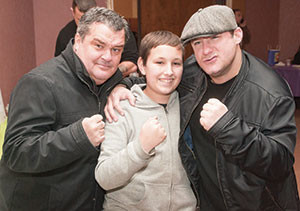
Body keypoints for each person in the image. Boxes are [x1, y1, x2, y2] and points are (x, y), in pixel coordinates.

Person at [104, 5, 300, 211]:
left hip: (257, 205)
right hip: (206, 202)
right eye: (197, 42)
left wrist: (229, 128)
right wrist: (122, 85)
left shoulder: (271, 92)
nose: (206, 50)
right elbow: (158, 76)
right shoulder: (192, 70)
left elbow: (281, 164)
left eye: (214, 38)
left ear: (237, 35)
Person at [0, 7, 129, 211]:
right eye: (99, 45)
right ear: (78, 40)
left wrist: (123, 86)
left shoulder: (109, 80)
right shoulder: (39, 83)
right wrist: (79, 136)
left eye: (116, 49)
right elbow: (17, 152)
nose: (108, 57)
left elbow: (142, 79)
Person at [95, 31, 197, 210]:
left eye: (176, 63)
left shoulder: (188, 107)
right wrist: (140, 148)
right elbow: (104, 178)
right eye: (159, 62)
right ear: (142, 65)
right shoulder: (122, 108)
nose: (168, 72)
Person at [55, 0, 139, 77]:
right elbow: (60, 67)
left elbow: (132, 63)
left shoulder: (119, 30)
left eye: (115, 49)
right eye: (80, 19)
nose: (85, 24)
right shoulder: (65, 35)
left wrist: (110, 74)